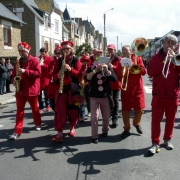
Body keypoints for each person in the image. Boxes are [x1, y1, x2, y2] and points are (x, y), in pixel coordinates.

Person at [147, 34, 180, 154]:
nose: (170, 45)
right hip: (158, 94)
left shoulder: (177, 58)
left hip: (172, 94)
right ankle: (155, 143)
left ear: (175, 46)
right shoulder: (156, 58)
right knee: (156, 120)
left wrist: (174, 60)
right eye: (168, 42)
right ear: (164, 43)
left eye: (173, 43)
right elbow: (150, 72)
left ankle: (167, 140)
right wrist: (164, 63)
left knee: (171, 120)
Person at [9, 42, 42, 140]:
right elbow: (14, 73)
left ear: (27, 51)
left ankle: (37, 123)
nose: (21, 53)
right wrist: (14, 80)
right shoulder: (17, 62)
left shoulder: (34, 61)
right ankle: (17, 131)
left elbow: (38, 73)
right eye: (20, 51)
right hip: (20, 90)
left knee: (35, 109)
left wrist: (25, 71)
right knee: (19, 111)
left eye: (23, 51)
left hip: (31, 89)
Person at [51, 41, 82, 142]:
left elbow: (79, 74)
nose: (65, 51)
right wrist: (57, 76)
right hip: (61, 89)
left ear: (71, 49)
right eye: (64, 49)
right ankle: (59, 133)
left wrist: (70, 69)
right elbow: (53, 74)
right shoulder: (58, 61)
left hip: (72, 89)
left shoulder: (76, 60)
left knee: (72, 111)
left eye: (67, 49)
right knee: (60, 111)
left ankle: (72, 128)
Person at [84, 57, 118, 144]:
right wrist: (95, 70)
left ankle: (105, 130)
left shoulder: (108, 67)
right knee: (94, 117)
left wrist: (107, 71)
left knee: (106, 117)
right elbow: (86, 78)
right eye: (97, 56)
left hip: (105, 96)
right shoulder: (91, 67)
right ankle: (94, 136)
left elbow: (115, 79)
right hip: (94, 96)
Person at [119, 45, 146, 138]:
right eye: (123, 53)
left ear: (131, 51)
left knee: (140, 109)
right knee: (125, 111)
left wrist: (134, 66)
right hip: (126, 89)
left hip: (137, 89)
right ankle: (126, 129)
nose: (125, 54)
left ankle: (136, 123)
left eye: (126, 52)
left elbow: (143, 71)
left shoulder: (138, 59)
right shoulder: (121, 61)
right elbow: (118, 74)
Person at [107, 44, 121, 128]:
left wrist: (113, 67)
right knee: (109, 102)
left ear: (115, 50)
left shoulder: (119, 59)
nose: (110, 51)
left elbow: (120, 70)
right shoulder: (106, 58)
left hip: (116, 83)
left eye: (111, 50)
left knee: (115, 102)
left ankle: (114, 119)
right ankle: (110, 115)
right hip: (108, 84)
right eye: (108, 50)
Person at [46, 45, 62, 111]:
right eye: (56, 53)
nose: (57, 55)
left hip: (61, 85)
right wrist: (51, 72)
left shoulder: (64, 62)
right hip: (52, 85)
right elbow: (47, 75)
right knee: (52, 104)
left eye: (59, 53)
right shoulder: (51, 62)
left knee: (60, 103)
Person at [38, 47, 52, 113]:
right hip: (39, 78)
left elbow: (50, 68)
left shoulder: (49, 59)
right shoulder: (38, 58)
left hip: (46, 77)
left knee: (46, 93)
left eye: (43, 53)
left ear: (46, 53)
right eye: (41, 54)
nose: (42, 55)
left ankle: (47, 105)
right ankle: (40, 106)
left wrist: (43, 64)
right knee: (39, 94)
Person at [79, 55, 91, 122]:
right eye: (84, 61)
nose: (85, 62)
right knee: (82, 101)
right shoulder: (80, 67)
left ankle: (89, 111)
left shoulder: (90, 68)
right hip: (82, 85)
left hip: (88, 85)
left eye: (87, 61)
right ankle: (82, 115)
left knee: (89, 100)